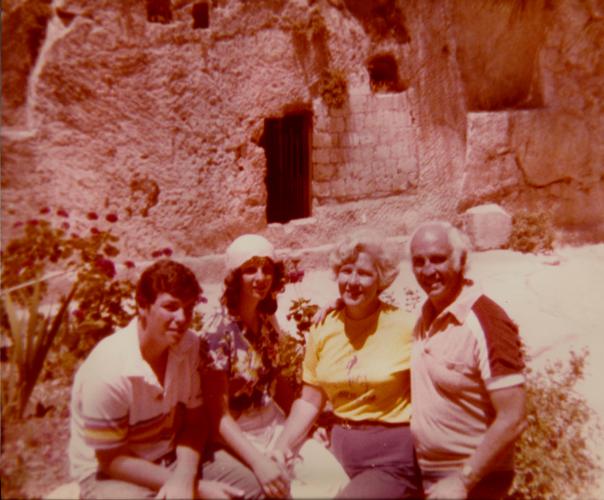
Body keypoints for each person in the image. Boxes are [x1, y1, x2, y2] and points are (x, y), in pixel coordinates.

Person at [68, 259, 261, 499]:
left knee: (255, 489)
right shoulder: (108, 370)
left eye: (189, 308)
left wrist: (185, 477)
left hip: (171, 457)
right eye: (171, 306)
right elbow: (112, 459)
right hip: (108, 474)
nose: (182, 318)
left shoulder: (188, 346)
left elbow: (195, 422)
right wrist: (196, 489)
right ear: (142, 306)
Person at [273, 229, 423, 499]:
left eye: (364, 273)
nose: (353, 281)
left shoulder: (405, 326)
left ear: (381, 279)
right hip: (337, 454)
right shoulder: (323, 327)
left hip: (389, 458)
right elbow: (310, 401)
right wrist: (281, 447)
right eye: (346, 271)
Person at [200, 234, 349, 499]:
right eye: (250, 270)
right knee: (284, 491)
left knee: (333, 479)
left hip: (274, 425)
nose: (260, 278)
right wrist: (259, 462)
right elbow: (217, 416)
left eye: (266, 269)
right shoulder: (217, 331)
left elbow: (279, 382)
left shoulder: (267, 318)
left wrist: (304, 430)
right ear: (235, 276)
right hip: (239, 436)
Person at [409, 221, 526, 500]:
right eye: (419, 262)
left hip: (474, 481)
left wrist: (463, 481)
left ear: (461, 260)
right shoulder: (425, 318)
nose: (428, 271)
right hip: (427, 476)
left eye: (438, 259)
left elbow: (514, 416)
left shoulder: (487, 320)